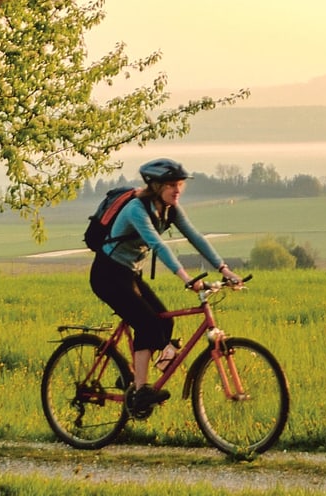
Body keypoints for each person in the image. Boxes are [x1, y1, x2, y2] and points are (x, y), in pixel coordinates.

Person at [89, 158, 242, 419]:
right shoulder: (137, 209)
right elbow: (158, 245)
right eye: (171, 185)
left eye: (180, 184)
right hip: (108, 273)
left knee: (164, 324)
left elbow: (195, 237)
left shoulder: (171, 209)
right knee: (147, 324)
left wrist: (224, 268)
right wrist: (186, 278)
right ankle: (140, 391)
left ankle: (136, 382)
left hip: (130, 273)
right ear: (156, 185)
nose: (177, 189)